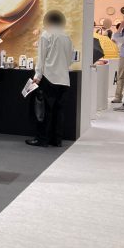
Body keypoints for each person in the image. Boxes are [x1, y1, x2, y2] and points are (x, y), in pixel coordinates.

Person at [26, 10, 74, 148]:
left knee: (44, 110)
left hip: (49, 78)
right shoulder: (67, 37)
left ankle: (42, 139)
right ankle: (56, 140)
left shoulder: (46, 35)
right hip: (64, 79)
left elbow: (41, 57)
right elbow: (70, 60)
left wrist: (37, 76)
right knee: (59, 111)